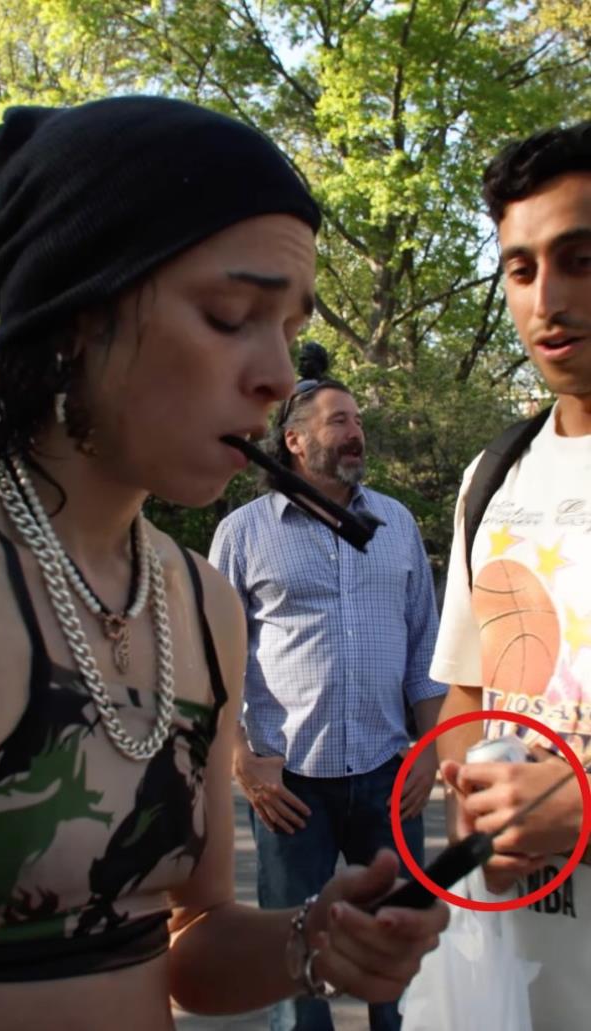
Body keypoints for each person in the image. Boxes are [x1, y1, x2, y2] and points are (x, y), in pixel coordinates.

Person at [0, 96, 449, 1031]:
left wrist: (313, 940)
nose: (278, 373)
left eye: (287, 326)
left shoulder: (200, 603)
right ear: (75, 311)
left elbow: (188, 942)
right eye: (232, 313)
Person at [209, 344, 446, 1031]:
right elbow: (217, 656)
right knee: (297, 968)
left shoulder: (397, 524)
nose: (355, 432)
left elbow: (425, 643)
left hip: (387, 775)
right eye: (339, 419)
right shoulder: (243, 534)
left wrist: (428, 746)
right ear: (294, 439)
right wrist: (240, 760)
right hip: (291, 790)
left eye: (358, 420)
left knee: (396, 960)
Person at [430, 120, 591, 1031]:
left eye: (582, 257)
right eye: (522, 268)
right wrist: (477, 789)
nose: (547, 300)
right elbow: (464, 691)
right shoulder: (492, 476)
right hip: (515, 979)